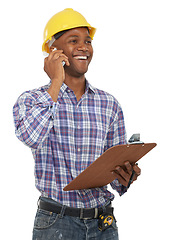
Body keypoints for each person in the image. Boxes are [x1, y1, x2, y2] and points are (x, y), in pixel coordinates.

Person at [13, 8, 141, 240]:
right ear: (54, 51)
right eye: (74, 41)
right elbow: (31, 137)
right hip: (56, 223)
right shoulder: (31, 100)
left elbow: (115, 175)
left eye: (88, 41)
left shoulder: (108, 104)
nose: (84, 47)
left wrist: (126, 175)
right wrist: (56, 82)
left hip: (103, 224)